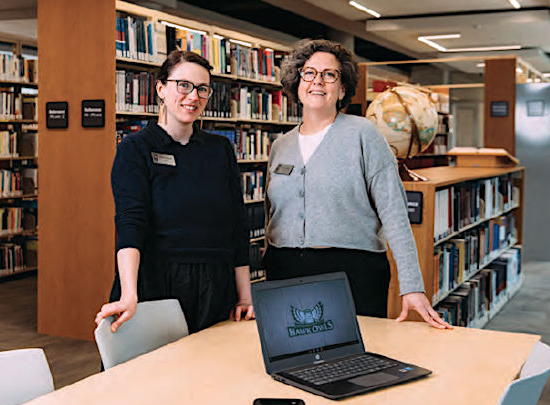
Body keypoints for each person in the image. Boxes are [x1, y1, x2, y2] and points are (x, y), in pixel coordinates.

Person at [263, 39, 451, 329]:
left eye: (329, 74)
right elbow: (271, 214)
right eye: (309, 72)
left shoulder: (365, 134)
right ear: (296, 82)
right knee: (290, 364)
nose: (318, 81)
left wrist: (412, 286)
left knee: (353, 366)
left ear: (342, 88)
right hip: (284, 272)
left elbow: (395, 214)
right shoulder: (280, 146)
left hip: (352, 274)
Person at [95, 50, 254, 334]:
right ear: (161, 89)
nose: (192, 97)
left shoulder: (220, 150)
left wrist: (245, 296)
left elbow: (237, 226)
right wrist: (129, 293)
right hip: (158, 282)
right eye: (183, 85)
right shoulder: (135, 148)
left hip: (216, 286)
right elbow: (131, 223)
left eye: (202, 89)